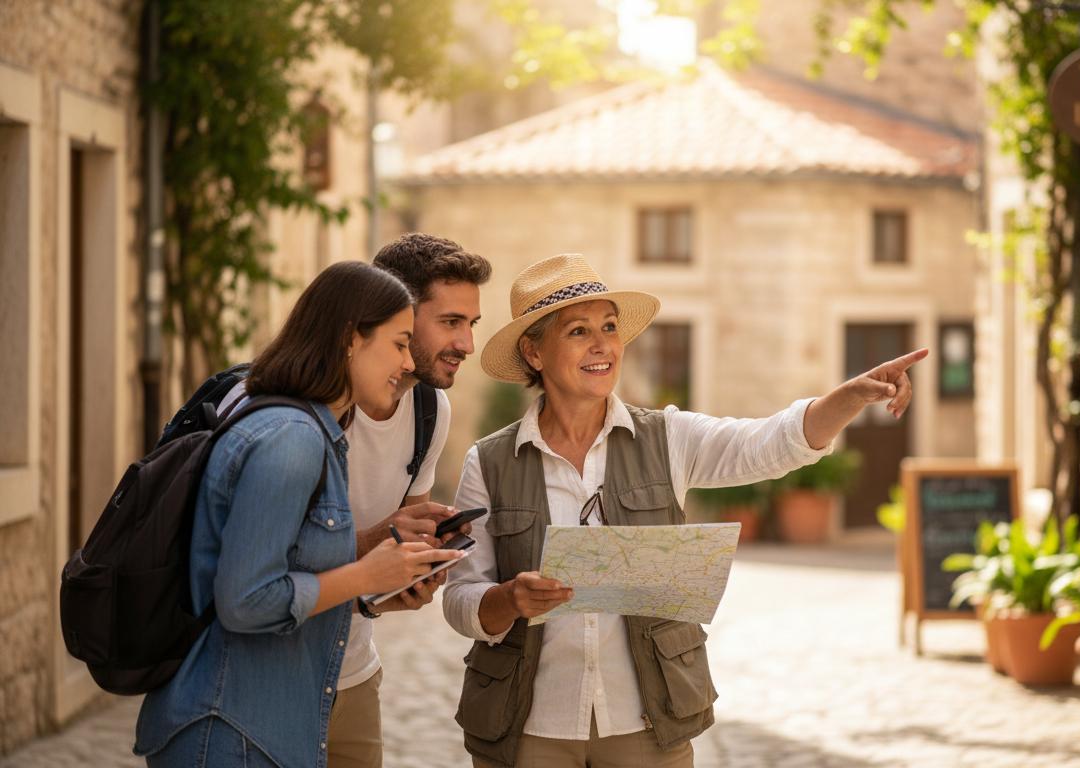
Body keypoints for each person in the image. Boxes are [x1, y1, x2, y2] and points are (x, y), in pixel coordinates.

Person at [442, 254, 926, 768]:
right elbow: (459, 598)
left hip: (647, 723)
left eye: (610, 327)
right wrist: (508, 600)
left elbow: (766, 444)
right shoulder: (488, 462)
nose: (603, 344)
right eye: (579, 331)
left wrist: (848, 398)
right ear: (534, 352)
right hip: (529, 727)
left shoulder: (668, 436)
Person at [135, 261, 465, 768]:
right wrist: (367, 573)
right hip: (230, 727)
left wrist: (379, 594)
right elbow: (246, 601)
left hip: (271, 719)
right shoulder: (290, 439)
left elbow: (295, 576)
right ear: (351, 340)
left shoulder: (311, 430)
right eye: (400, 344)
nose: (406, 362)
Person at [211, 233, 493, 768]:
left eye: (471, 323)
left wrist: (399, 580)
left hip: (350, 673)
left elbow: (359, 576)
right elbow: (247, 586)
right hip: (259, 682)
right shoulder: (283, 421)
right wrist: (372, 553)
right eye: (450, 322)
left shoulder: (430, 410)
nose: (467, 344)